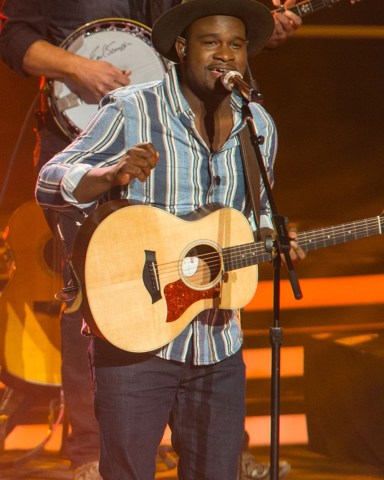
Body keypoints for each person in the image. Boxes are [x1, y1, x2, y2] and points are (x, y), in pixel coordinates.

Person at [0, 1, 302, 479]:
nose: (224, 56)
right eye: (210, 43)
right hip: (136, 340)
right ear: (182, 49)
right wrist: (107, 174)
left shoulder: (257, 124)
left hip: (218, 342)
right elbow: (50, 179)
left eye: (236, 45)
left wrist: (271, 232)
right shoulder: (133, 108)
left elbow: (255, 211)